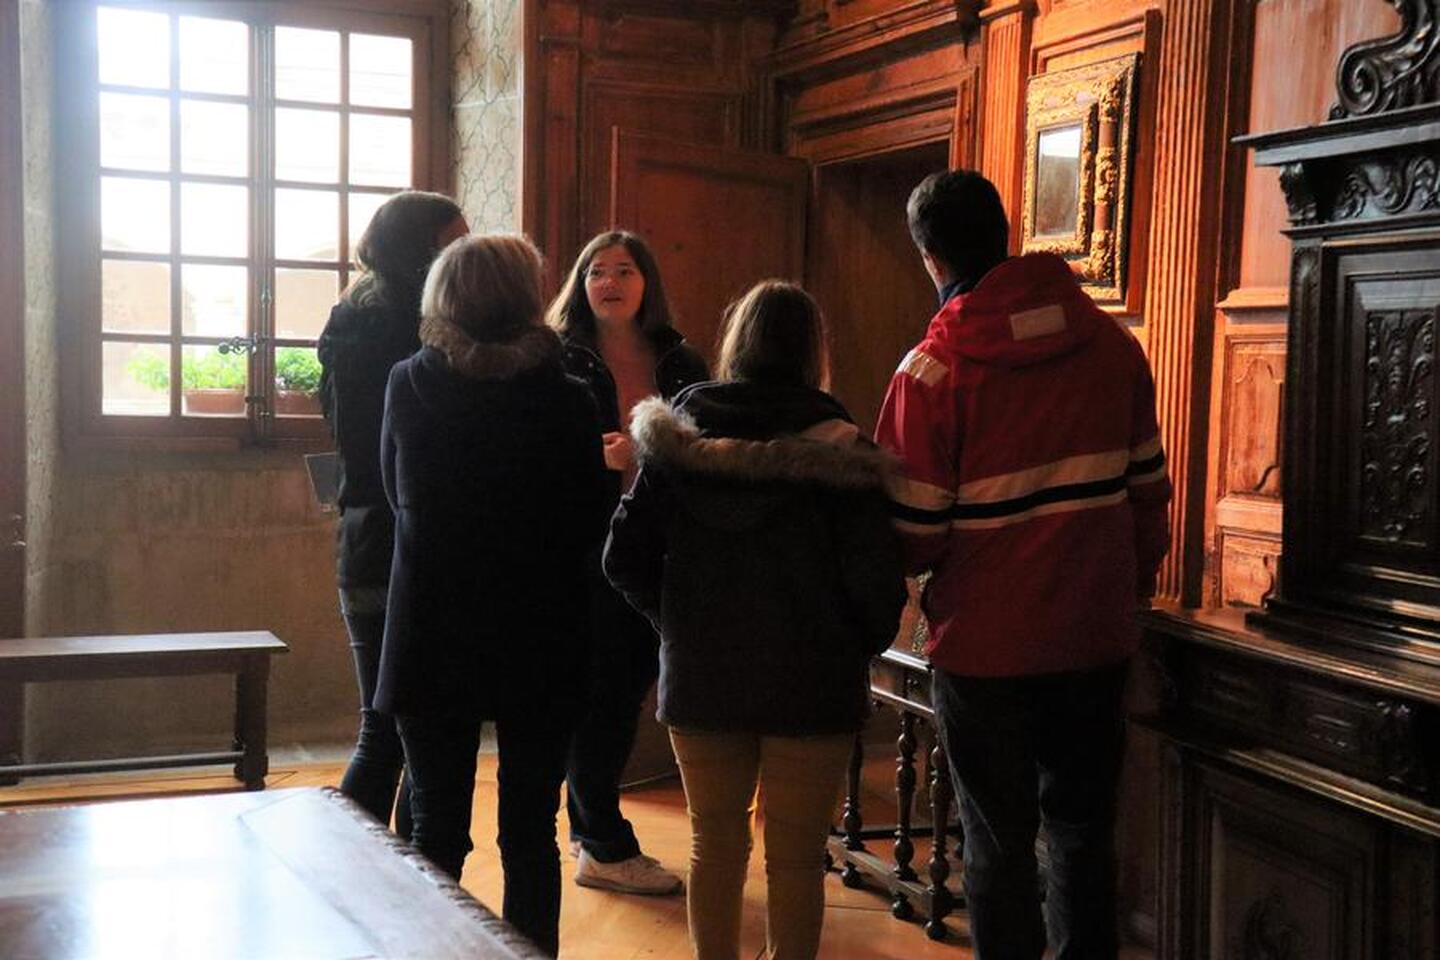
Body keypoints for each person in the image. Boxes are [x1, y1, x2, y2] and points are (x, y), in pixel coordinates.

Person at [873, 169, 1172, 960]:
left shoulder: (930, 371)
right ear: (1005, 234)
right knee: (1083, 832)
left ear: (931, 258)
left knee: (997, 841)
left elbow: (913, 532)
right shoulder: (1113, 347)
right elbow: (1149, 495)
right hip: (1093, 638)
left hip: (985, 650)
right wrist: (1126, 588)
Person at [604, 280, 907, 960]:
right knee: (797, 858)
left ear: (736, 342)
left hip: (702, 674)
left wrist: (677, 624)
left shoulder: (677, 440)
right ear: (811, 351)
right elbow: (876, 584)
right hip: (814, 681)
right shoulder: (842, 448)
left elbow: (622, 557)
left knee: (713, 844)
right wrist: (850, 647)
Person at [376, 234, 609, 957]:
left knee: (434, 826)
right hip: (542, 627)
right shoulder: (570, 397)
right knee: (531, 832)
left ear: (442, 296)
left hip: (433, 623)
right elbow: (590, 517)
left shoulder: (409, 384)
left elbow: (395, 497)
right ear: (526, 297)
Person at [545, 230, 708, 895]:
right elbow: (529, 451)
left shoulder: (680, 358)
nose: (609, 282)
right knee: (600, 694)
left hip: (656, 545)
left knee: (626, 689)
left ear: (647, 283)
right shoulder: (557, 356)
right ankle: (603, 842)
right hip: (582, 546)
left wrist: (659, 457)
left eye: (624, 270)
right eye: (596, 271)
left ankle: (593, 834)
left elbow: (708, 446)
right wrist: (597, 459)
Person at [317, 190, 467, 834]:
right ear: (421, 249)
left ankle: (386, 873)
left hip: (367, 539)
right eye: (454, 241)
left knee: (393, 731)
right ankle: (370, 872)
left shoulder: (356, 315)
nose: (463, 254)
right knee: (395, 733)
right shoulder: (402, 330)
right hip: (399, 544)